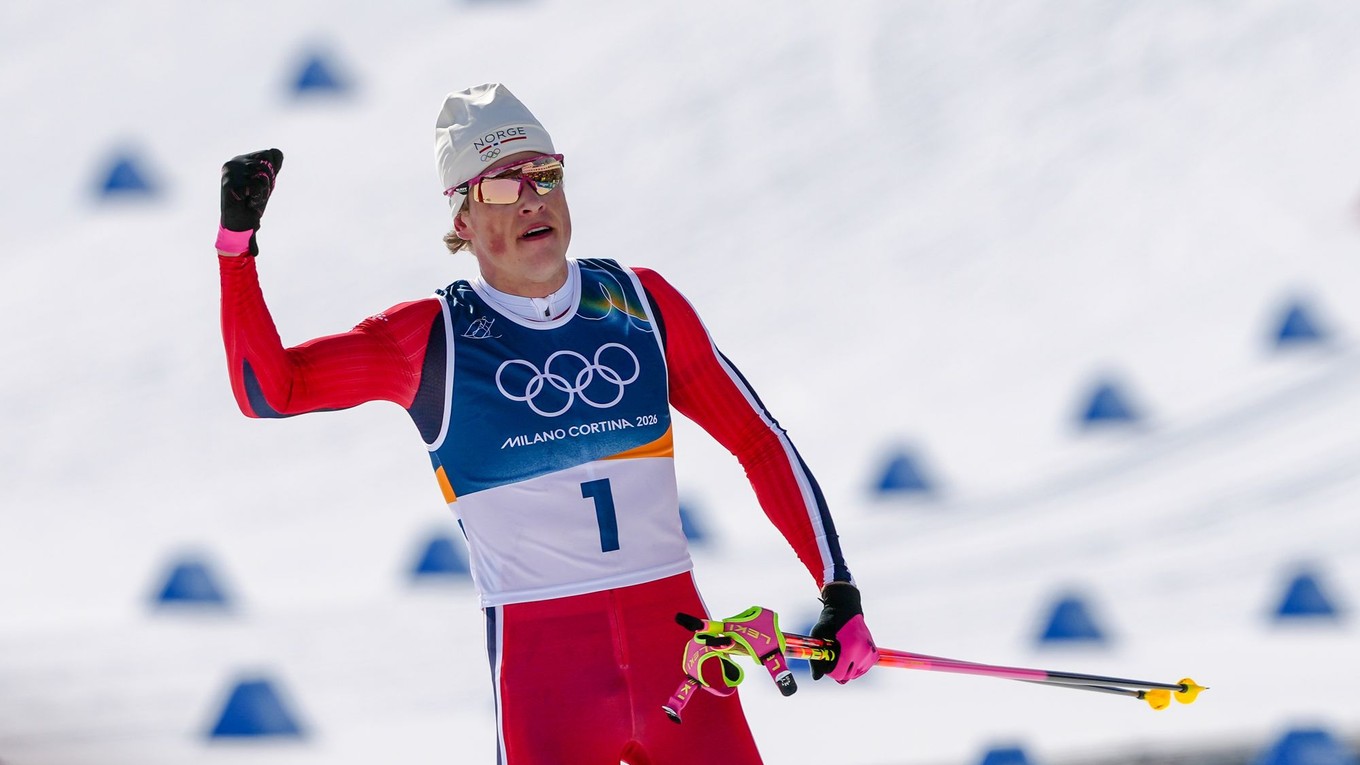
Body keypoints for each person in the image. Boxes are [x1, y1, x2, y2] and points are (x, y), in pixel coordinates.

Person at [216, 82, 878, 764]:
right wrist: (236, 250)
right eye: (502, 186)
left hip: (681, 661)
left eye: (545, 175)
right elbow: (270, 390)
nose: (532, 197)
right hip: (548, 684)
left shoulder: (639, 303)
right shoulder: (430, 341)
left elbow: (757, 440)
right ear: (462, 220)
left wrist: (837, 589)